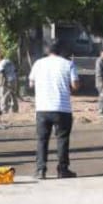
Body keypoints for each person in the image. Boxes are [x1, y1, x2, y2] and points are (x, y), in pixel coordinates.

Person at [30, 37, 77, 180]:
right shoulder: (68, 64)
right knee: (62, 139)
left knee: (42, 139)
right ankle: (62, 170)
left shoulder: (38, 64)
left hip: (43, 108)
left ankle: (40, 170)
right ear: (61, 50)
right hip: (62, 108)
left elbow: (31, 83)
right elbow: (75, 85)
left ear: (47, 50)